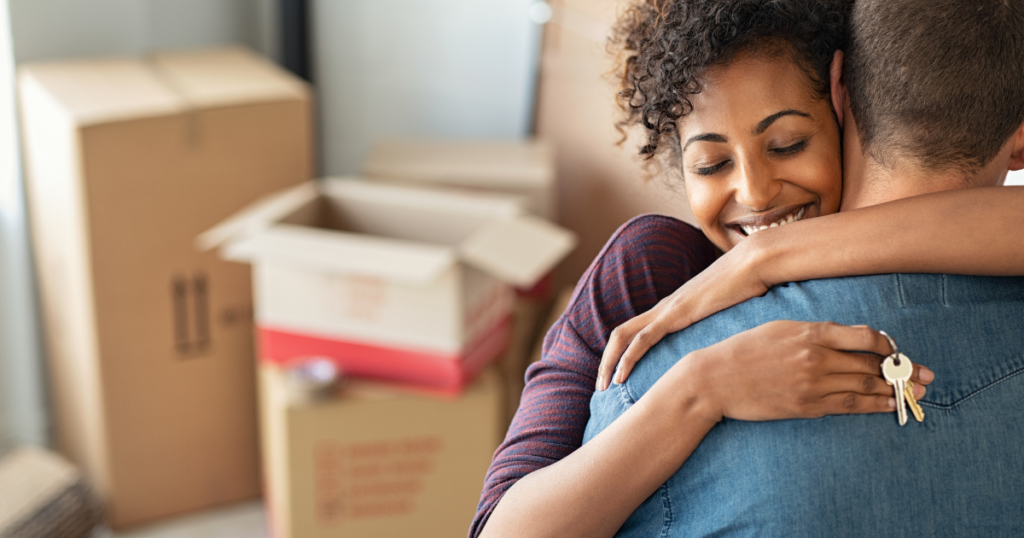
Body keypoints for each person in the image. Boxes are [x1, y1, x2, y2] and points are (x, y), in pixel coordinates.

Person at [472, 0, 1024, 536]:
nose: (756, 193)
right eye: (711, 165)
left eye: (788, 144)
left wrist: (767, 258)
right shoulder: (651, 270)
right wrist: (698, 388)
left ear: (842, 104)